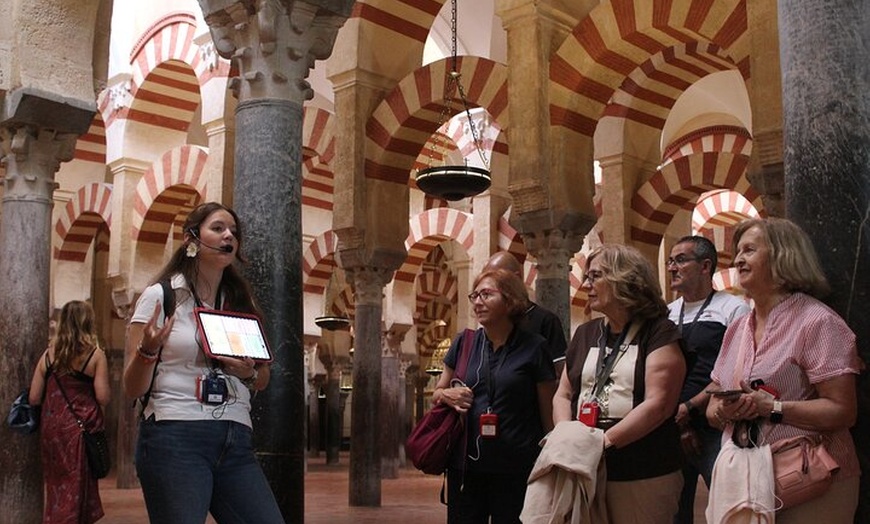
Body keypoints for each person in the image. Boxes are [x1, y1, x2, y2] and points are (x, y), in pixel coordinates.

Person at [123, 202, 284, 524]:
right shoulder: (161, 296)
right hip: (175, 435)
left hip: (234, 438)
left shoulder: (240, 301)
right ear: (192, 238)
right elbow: (132, 388)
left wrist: (249, 372)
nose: (229, 237)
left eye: (234, 232)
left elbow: (262, 378)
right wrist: (148, 350)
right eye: (218, 228)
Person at [706, 217, 861, 523]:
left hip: (813, 481)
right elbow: (712, 406)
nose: (738, 260)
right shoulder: (737, 328)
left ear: (782, 256)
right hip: (748, 479)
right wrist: (727, 410)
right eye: (738, 251)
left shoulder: (817, 322)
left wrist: (772, 408)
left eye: (749, 250)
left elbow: (843, 411)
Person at [553, 244, 686, 524]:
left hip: (641, 470)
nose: (587, 285)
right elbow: (563, 394)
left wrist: (603, 442)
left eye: (595, 276)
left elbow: (659, 404)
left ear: (624, 279)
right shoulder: (585, 333)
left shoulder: (659, 331)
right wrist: (566, 437)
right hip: (584, 468)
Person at [434, 268, 557, 523]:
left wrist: (551, 462)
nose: (478, 302)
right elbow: (438, 392)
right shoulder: (464, 343)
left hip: (516, 468)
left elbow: (548, 413)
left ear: (510, 300)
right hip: (466, 467)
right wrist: (448, 395)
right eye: (475, 295)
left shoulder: (535, 347)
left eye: (487, 294)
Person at [667, 236, 749, 523]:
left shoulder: (733, 308)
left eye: (680, 260)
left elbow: (735, 371)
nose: (672, 267)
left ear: (705, 266)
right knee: (674, 512)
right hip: (673, 425)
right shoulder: (668, 313)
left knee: (728, 507)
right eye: (670, 261)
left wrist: (689, 407)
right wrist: (678, 418)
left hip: (714, 424)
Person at [29, 300, 110, 523]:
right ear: (88, 323)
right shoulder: (95, 356)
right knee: (76, 485)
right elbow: (103, 396)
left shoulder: (48, 356)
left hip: (52, 430)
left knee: (56, 485)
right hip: (80, 429)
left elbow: (34, 397)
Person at [483, 251, 568, 374]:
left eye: (496, 279)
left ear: (516, 278)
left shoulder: (546, 321)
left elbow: (558, 373)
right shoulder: (495, 320)